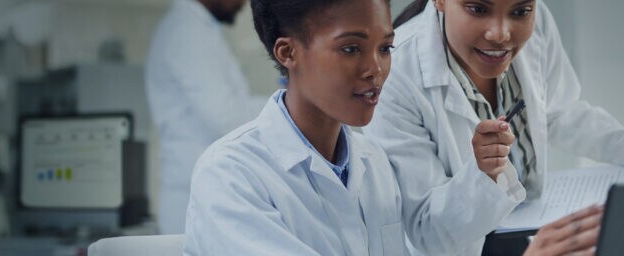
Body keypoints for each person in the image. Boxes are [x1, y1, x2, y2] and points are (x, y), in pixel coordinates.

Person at [183, 0, 601, 255]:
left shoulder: (372, 164)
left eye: (385, 48)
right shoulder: (231, 175)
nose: (376, 69)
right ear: (287, 52)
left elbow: (432, 238)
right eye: (351, 48)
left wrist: (484, 173)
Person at [363, 0, 624, 253]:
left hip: (526, 225)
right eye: (478, 8)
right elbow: (426, 231)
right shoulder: (395, 73)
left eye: (521, 11)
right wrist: (485, 174)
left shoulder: (539, 21)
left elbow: (558, 110)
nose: (501, 33)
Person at [145, 0, 266, 234]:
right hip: (193, 194)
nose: (243, 3)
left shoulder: (197, 29)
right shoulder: (188, 31)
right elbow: (225, 116)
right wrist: (288, 104)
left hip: (202, 189)